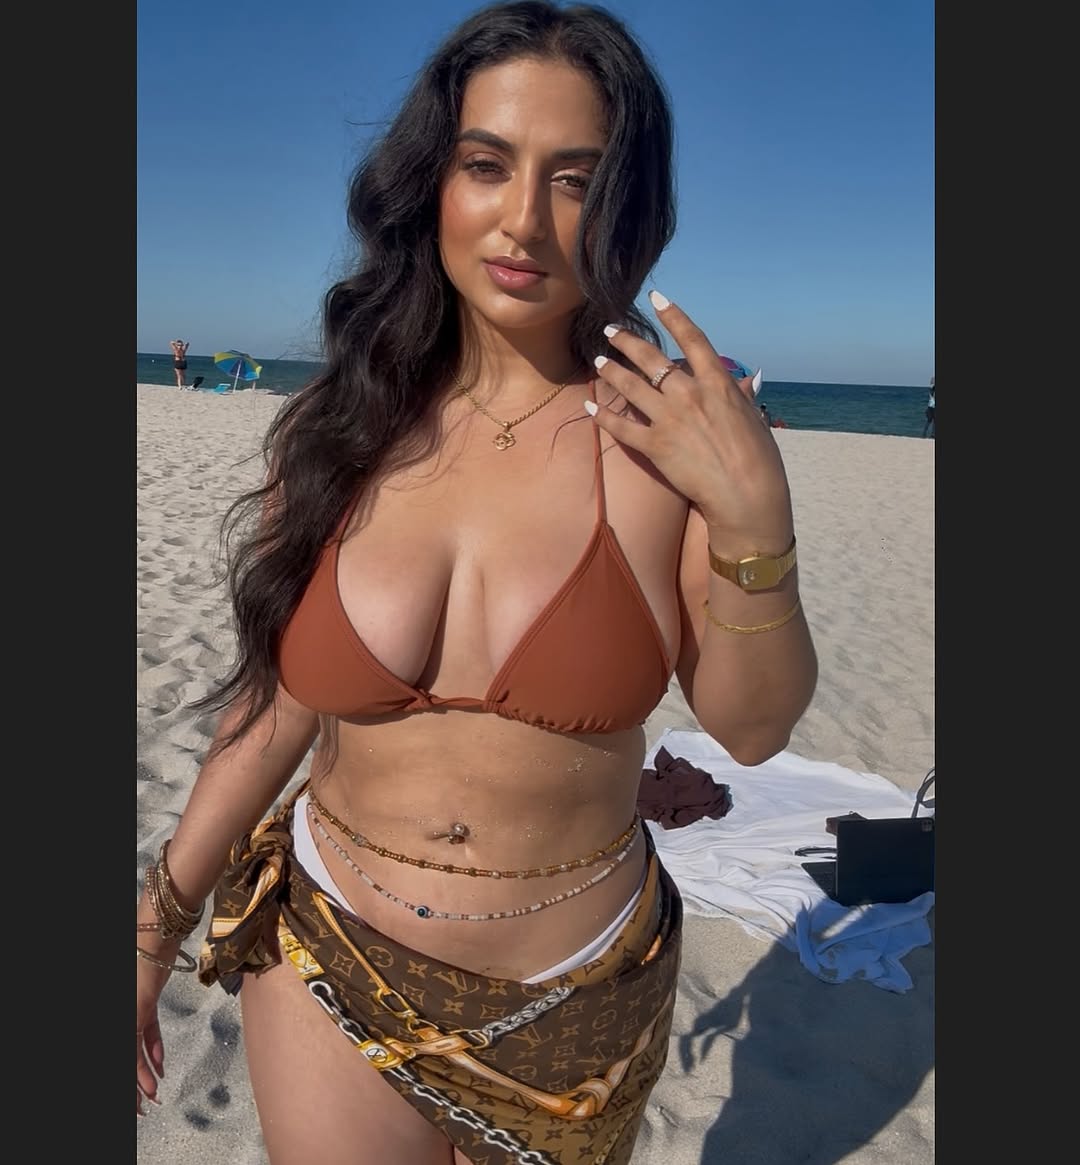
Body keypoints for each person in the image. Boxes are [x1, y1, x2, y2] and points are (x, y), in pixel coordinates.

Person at [135, 3, 818, 1162]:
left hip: (576, 990)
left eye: (574, 180)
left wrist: (756, 518)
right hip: (329, 950)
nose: (524, 220)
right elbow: (271, 708)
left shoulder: (668, 445)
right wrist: (153, 934)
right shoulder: (338, 429)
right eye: (487, 164)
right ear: (431, 183)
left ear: (625, 205)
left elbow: (752, 728)